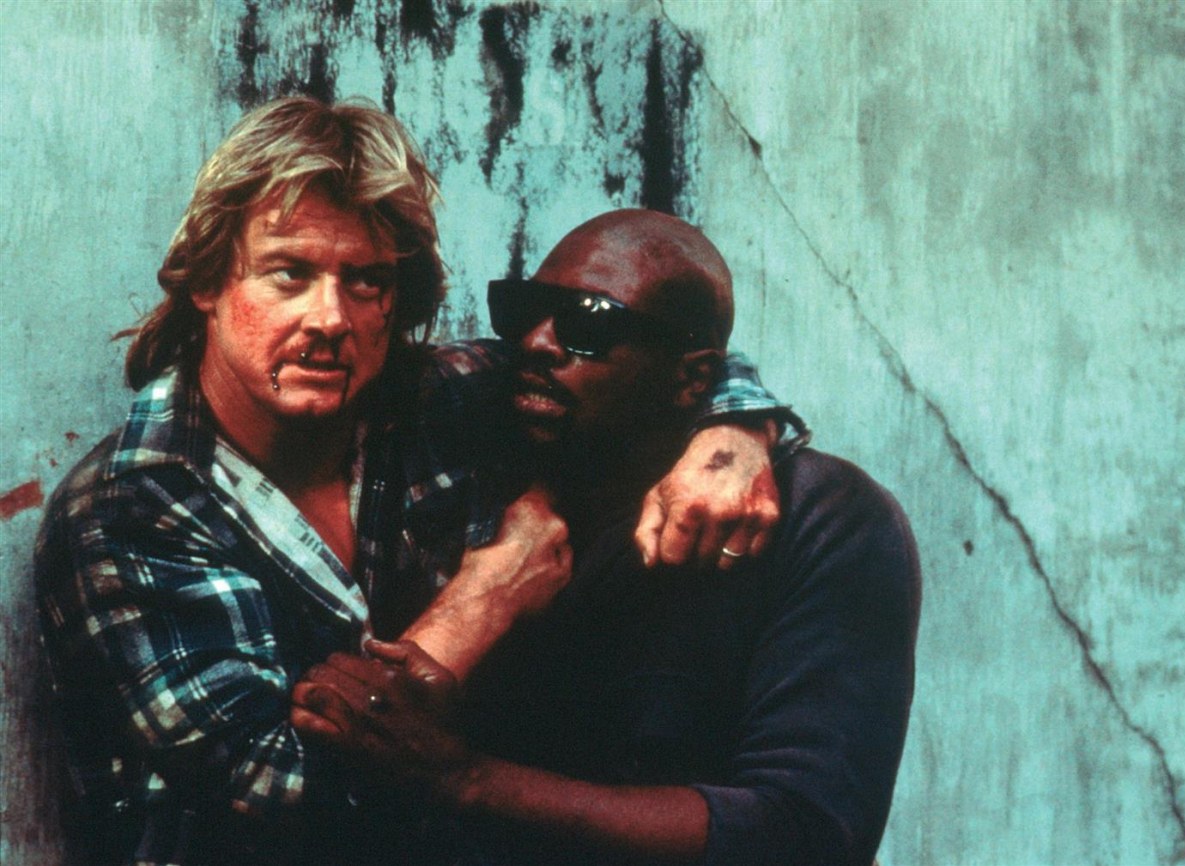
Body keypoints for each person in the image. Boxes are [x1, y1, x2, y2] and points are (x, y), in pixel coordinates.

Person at [33, 99, 798, 865]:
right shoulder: (129, 509)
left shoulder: (434, 401)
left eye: (365, 281)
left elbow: (649, 368)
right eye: (289, 273)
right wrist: (483, 600)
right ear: (207, 281)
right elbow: (281, 788)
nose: (329, 318)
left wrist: (730, 437)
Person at [293, 210, 922, 865]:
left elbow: (805, 831)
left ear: (692, 379)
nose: (537, 342)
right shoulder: (477, 459)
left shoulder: (823, 517)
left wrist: (462, 779)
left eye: (588, 323)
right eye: (522, 310)